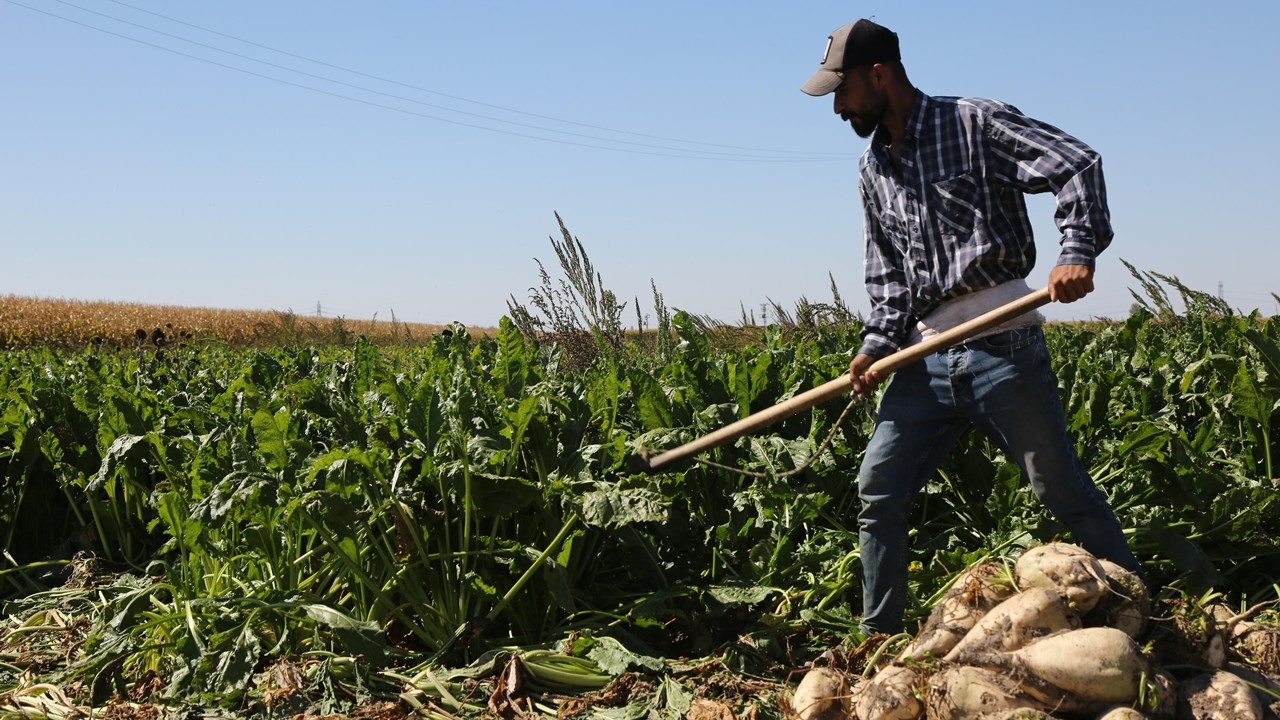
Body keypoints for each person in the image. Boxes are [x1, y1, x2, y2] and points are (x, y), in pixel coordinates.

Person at [801, 18, 1143, 635]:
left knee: (1057, 488)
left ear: (878, 75)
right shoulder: (871, 167)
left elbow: (1075, 164)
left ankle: (1138, 610)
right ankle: (877, 641)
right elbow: (888, 277)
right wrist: (876, 345)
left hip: (1001, 340)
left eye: (842, 90)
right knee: (879, 487)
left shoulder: (973, 122)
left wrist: (1077, 250)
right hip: (924, 356)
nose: (838, 106)